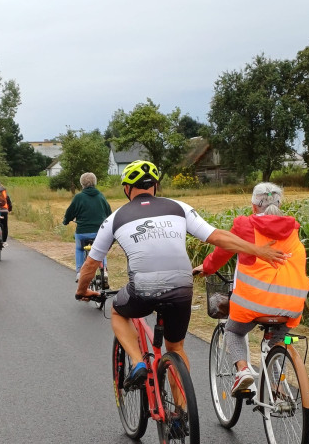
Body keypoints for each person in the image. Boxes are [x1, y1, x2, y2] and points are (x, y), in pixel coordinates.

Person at [76, 161, 287, 389]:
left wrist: (82, 291)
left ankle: (137, 362)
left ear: (127, 189)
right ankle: (181, 415)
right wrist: (258, 250)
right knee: (175, 348)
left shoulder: (114, 219)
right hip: (181, 287)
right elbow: (217, 237)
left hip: (143, 289)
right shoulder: (179, 207)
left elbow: (91, 264)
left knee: (117, 311)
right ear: (155, 186)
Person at [193, 182, 309, 394]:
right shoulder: (293, 228)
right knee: (277, 340)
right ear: (279, 203)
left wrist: (207, 267)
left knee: (232, 331)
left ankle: (243, 370)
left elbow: (223, 251)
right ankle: (276, 387)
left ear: (254, 206)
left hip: (253, 303)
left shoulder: (245, 225)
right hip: (291, 305)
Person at [63, 172, 111, 283]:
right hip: (99, 232)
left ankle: (80, 272)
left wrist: (66, 221)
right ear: (95, 182)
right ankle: (104, 270)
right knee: (101, 250)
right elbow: (109, 213)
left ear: (82, 184)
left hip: (82, 232)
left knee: (79, 249)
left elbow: (69, 212)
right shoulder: (101, 196)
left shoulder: (78, 197)